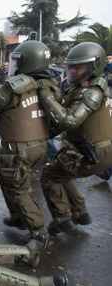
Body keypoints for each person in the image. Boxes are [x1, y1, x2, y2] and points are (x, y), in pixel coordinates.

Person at [0, 41, 57, 244]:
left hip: (18, 148)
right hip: (40, 146)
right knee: (7, 177)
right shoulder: (48, 84)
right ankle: (18, 217)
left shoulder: (12, 87)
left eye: (17, 60)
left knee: (18, 187)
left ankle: (38, 230)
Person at [38, 42, 111, 235]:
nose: (72, 71)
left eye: (78, 67)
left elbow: (69, 121)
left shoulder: (93, 92)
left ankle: (62, 217)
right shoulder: (83, 88)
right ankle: (80, 212)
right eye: (71, 66)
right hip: (92, 149)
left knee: (49, 176)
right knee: (63, 172)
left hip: (93, 152)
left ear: (93, 67)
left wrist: (47, 97)